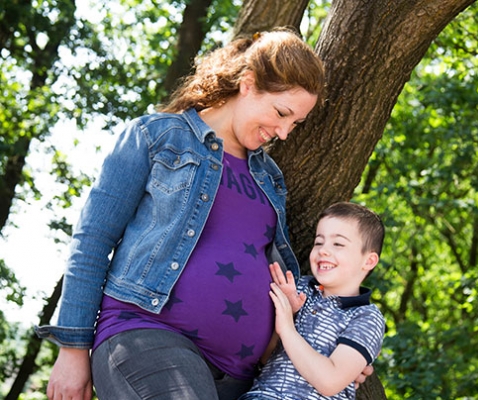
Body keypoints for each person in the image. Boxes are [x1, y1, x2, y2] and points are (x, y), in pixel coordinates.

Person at [35, 29, 370, 400]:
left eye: (295, 124)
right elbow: (92, 242)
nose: (284, 133)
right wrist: (72, 348)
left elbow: (283, 280)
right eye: (281, 113)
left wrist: (338, 352)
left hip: (243, 377)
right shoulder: (157, 137)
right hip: (146, 335)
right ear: (248, 83)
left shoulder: (269, 177)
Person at [239, 202, 386, 400]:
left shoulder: (366, 317)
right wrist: (287, 315)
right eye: (319, 242)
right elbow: (266, 359)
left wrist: (288, 328)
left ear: (368, 261)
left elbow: (330, 381)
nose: (323, 250)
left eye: (338, 244)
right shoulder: (299, 288)